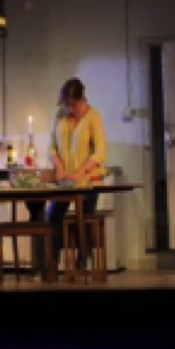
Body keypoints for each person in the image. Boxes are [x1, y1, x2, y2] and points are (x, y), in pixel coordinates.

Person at [29, 77, 108, 274]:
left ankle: (83, 259)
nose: (70, 109)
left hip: (87, 179)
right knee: (53, 215)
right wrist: (59, 168)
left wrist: (78, 173)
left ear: (82, 99)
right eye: (67, 105)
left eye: (73, 105)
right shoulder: (59, 115)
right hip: (64, 180)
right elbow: (51, 146)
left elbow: (100, 152)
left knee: (84, 216)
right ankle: (52, 262)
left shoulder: (93, 116)